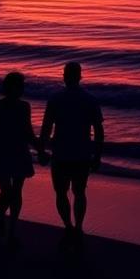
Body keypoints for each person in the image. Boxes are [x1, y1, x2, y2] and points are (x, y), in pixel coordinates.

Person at [39, 62, 104, 242]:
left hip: (60, 152)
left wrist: (41, 150)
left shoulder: (55, 99)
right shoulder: (90, 99)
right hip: (82, 153)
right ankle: (79, 227)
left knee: (61, 193)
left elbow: (46, 127)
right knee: (80, 192)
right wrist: (97, 155)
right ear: (80, 76)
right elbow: (98, 130)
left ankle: (68, 225)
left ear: (64, 76)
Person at [0, 71, 36, 244]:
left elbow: (28, 132)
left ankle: (12, 229)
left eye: (22, 86)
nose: (22, 89)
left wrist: (40, 148)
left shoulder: (24, 106)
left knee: (16, 191)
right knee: (7, 191)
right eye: (19, 86)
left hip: (18, 150)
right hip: (1, 151)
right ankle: (0, 217)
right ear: (10, 87)